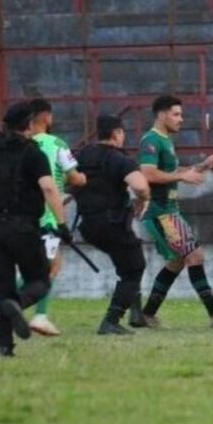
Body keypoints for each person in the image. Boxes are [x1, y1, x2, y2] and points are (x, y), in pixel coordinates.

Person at [0, 102, 69, 357]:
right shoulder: (33, 153)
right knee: (40, 280)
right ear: (29, 125)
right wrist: (62, 225)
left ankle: (3, 348)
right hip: (23, 227)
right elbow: (49, 189)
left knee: (1, 288)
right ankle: (16, 304)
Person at [137, 95, 213, 328]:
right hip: (161, 211)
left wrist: (202, 166)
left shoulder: (165, 140)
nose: (181, 119)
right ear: (162, 114)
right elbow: (147, 173)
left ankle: (146, 314)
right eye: (176, 114)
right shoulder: (151, 140)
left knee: (176, 262)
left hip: (170, 210)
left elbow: (174, 171)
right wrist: (182, 176)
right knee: (195, 255)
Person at [73, 114, 152, 335]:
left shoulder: (83, 155)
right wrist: (143, 200)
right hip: (112, 224)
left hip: (88, 226)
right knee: (134, 268)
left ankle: (135, 313)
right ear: (117, 133)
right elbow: (141, 187)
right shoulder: (120, 159)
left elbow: (70, 184)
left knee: (129, 260)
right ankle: (112, 320)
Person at [25, 98, 86, 336]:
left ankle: (10, 305)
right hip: (48, 214)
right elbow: (74, 177)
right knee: (49, 266)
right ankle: (37, 314)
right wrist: (83, 179)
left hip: (21, 215)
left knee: (40, 264)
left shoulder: (20, 144)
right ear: (46, 117)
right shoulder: (56, 144)